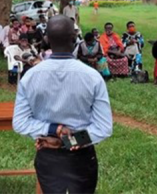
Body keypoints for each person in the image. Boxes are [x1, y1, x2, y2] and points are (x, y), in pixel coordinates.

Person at [13, 16, 113, 194]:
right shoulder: (92, 77)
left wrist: (54, 131)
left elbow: (20, 122)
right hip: (81, 155)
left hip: (47, 152)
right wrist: (69, 140)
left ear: (46, 39)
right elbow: (103, 127)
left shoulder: (30, 76)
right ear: (75, 38)